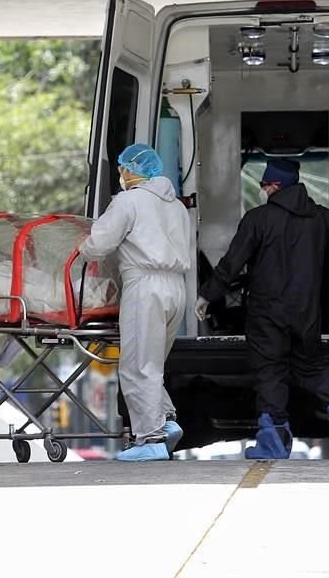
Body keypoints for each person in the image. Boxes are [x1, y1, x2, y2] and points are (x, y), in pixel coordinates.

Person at [194, 158, 329, 459]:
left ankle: (274, 442)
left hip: (266, 315)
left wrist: (207, 295)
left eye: (263, 185)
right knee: (311, 367)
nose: (261, 190)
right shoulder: (319, 218)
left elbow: (232, 263)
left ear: (274, 186)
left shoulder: (257, 219)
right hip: (306, 314)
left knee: (270, 373)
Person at [79, 144, 193, 462]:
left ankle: (151, 438)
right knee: (153, 362)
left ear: (133, 170)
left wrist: (83, 250)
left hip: (145, 285)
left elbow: (100, 243)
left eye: (122, 168)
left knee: (136, 365)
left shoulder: (128, 201)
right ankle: (166, 422)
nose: (120, 174)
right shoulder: (178, 208)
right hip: (176, 288)